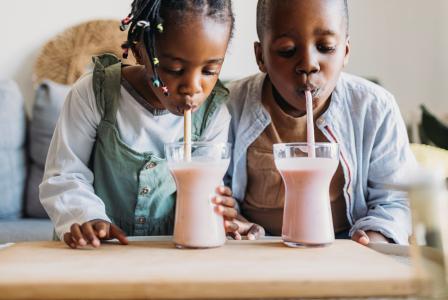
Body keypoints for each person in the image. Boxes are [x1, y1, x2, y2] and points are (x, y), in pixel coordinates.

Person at [40, 0, 239, 249]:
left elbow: (205, 190)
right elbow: (65, 174)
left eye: (210, 70)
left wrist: (223, 216)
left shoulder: (214, 113)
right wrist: (86, 217)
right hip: (95, 252)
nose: (193, 87)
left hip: (169, 253)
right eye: (174, 69)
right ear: (139, 50)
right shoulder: (95, 93)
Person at [225, 0, 415, 245]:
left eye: (325, 47)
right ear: (261, 56)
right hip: (256, 247)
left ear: (345, 51)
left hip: (345, 244)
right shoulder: (229, 107)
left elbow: (397, 199)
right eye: (287, 50)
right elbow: (218, 191)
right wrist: (233, 219)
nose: (308, 64)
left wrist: (374, 239)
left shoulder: (375, 109)